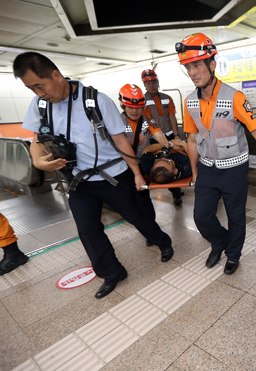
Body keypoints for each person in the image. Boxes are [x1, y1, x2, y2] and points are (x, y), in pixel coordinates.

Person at [16, 52, 174, 299]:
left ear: (56, 75)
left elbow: (120, 140)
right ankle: (112, 272)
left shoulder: (96, 101)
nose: (38, 93)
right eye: (31, 88)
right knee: (88, 230)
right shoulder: (40, 105)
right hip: (78, 179)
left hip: (113, 176)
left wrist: (137, 175)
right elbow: (38, 138)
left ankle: (163, 242)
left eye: (39, 85)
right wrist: (37, 160)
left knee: (137, 216)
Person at [177, 33, 256, 275]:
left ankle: (233, 254)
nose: (193, 72)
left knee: (236, 216)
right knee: (201, 216)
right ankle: (219, 242)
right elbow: (192, 139)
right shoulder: (189, 102)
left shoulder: (235, 98)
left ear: (212, 65)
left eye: (197, 64)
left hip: (234, 169)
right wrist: (195, 170)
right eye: (188, 67)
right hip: (207, 168)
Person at [119, 83, 184, 206]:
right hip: (124, 167)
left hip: (141, 163)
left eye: (138, 107)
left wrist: (167, 146)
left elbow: (160, 136)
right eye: (130, 107)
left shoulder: (147, 119)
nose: (135, 111)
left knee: (144, 198)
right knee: (128, 198)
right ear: (123, 106)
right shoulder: (116, 122)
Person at [141, 69, 186, 200]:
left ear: (158, 82)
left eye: (154, 82)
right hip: (154, 140)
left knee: (174, 162)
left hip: (170, 135)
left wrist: (176, 136)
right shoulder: (142, 101)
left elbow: (172, 116)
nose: (152, 85)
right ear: (144, 85)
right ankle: (176, 193)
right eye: (148, 83)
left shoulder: (167, 98)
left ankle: (177, 188)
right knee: (163, 165)